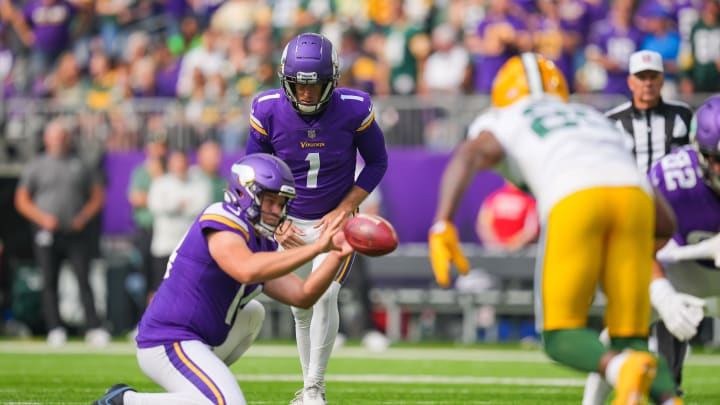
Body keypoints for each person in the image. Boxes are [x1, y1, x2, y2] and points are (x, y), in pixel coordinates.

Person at [428, 52, 682, 405]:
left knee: (561, 334)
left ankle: (619, 368)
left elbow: (469, 154)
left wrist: (443, 221)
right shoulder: (591, 116)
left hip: (574, 196)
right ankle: (670, 399)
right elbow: (666, 221)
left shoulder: (504, 116)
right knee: (633, 338)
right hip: (636, 199)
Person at [91, 153, 354, 405]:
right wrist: (316, 247)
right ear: (245, 193)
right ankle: (124, 400)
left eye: (281, 203)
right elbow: (246, 269)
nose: (276, 210)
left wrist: (337, 251)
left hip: (198, 339)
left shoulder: (262, 242)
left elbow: (303, 295)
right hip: (168, 339)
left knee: (253, 313)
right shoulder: (221, 217)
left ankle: (199, 386)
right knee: (227, 403)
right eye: (269, 201)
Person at [245, 32, 388, 405]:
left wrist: (345, 208)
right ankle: (307, 389)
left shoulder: (354, 107)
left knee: (326, 296)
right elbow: (253, 170)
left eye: (316, 85)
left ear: (333, 80)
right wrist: (274, 221)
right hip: (288, 223)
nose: (307, 94)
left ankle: (314, 389)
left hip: (334, 220)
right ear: (285, 80)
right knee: (299, 305)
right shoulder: (267, 108)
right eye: (300, 85)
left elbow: (377, 161)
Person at [583, 95, 720, 404]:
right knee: (624, 325)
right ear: (701, 154)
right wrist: (663, 295)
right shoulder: (671, 179)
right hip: (685, 266)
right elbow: (636, 244)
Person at [14, 118, 110, 347]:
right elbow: (22, 200)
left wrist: (84, 217)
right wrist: (42, 218)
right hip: (46, 232)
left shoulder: (80, 163)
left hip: (76, 232)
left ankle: (93, 327)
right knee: (49, 281)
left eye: (62, 136)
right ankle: (55, 328)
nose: (59, 140)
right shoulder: (37, 165)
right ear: (47, 139)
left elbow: (98, 195)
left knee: (83, 279)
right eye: (55, 136)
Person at [604, 50, 694, 174]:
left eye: (653, 76)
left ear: (662, 80)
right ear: (630, 82)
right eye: (642, 77)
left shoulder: (683, 114)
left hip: (671, 191)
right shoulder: (612, 120)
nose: (648, 83)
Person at [147, 149, 211, 302]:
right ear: (170, 164)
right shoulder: (160, 183)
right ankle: (152, 325)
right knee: (159, 289)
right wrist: (179, 204)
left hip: (188, 248)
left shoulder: (199, 182)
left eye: (183, 162)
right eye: (176, 162)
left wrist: (173, 205)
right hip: (163, 247)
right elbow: (155, 206)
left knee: (188, 291)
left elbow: (201, 207)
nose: (180, 166)